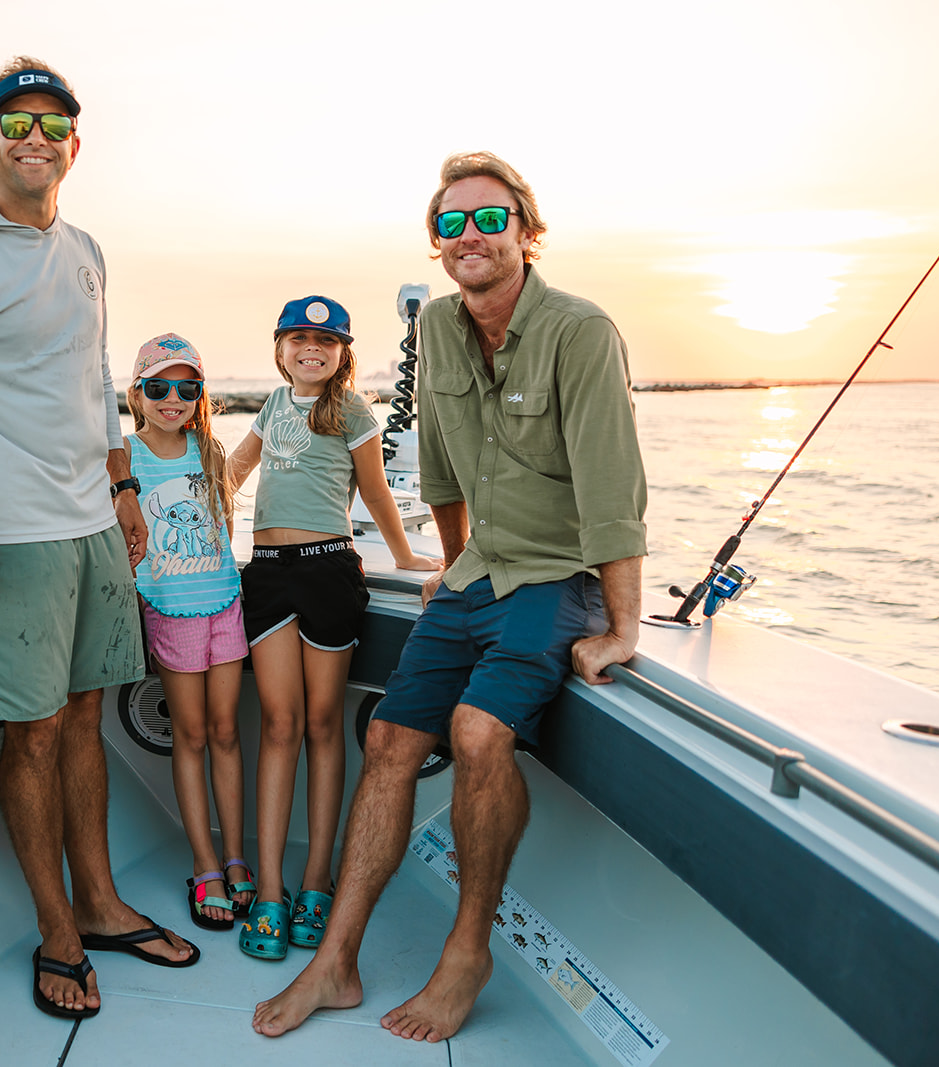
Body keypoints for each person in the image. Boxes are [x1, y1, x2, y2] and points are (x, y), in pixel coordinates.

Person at [252, 151, 648, 1043]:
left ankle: (468, 950)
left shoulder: (582, 331)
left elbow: (613, 484)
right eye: (452, 223)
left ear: (526, 231)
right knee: (389, 735)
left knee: (476, 732)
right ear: (436, 244)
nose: (470, 234)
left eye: (489, 218)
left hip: (559, 576)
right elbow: (440, 464)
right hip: (474, 578)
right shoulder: (435, 323)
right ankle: (336, 960)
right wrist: (451, 563)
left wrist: (624, 626)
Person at [0, 58, 198, 1023]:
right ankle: (57, 929)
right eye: (14, 123)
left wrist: (122, 486)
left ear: (75, 146)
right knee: (32, 732)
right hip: (9, 532)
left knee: (86, 718)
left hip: (92, 521)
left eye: (53, 125)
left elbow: (93, 372)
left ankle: (102, 904)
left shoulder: (86, 248)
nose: (35, 138)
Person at [227, 297, 439, 961]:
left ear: (343, 352)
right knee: (279, 725)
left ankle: (316, 879)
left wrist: (405, 558)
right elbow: (232, 471)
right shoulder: (270, 406)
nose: (311, 349)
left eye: (325, 340)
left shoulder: (351, 410)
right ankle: (269, 888)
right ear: (280, 346)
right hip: (266, 573)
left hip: (327, 569)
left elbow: (375, 491)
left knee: (322, 726)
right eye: (299, 338)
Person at [123, 333, 255, 932]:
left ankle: (234, 856)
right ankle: (202, 863)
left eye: (186, 388)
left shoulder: (210, 449)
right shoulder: (123, 456)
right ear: (137, 394)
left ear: (200, 395)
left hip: (223, 602)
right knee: (193, 735)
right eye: (159, 387)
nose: (172, 399)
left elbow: (223, 524)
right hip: (170, 610)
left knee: (228, 731)